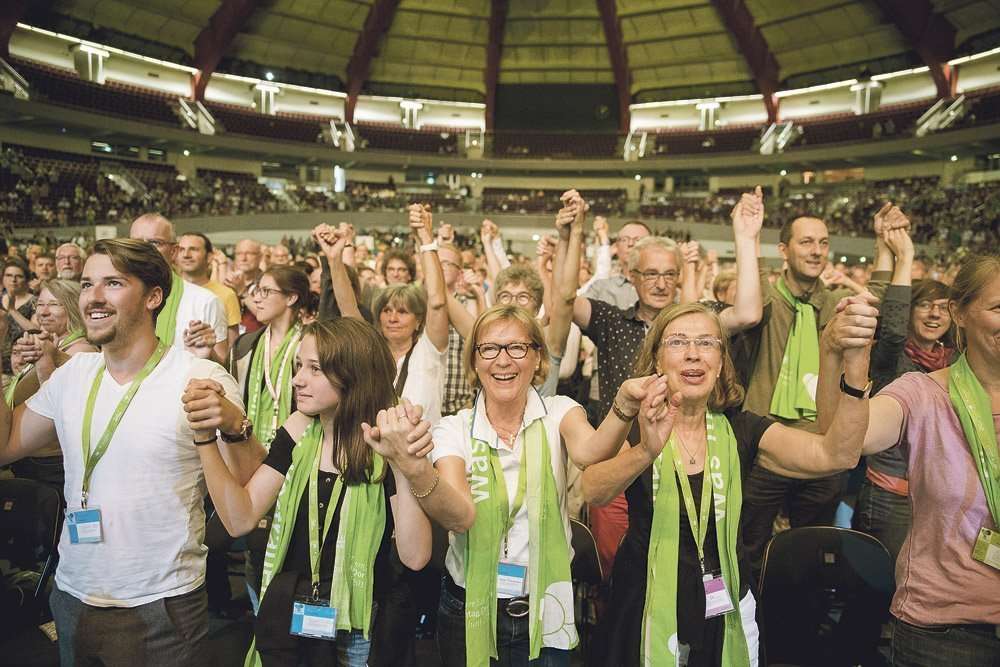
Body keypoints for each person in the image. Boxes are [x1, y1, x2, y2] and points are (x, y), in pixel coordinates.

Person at [0, 238, 261, 666]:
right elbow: (5, 446)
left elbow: (249, 484)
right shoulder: (73, 376)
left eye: (113, 283)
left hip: (163, 603)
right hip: (73, 594)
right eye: (86, 284)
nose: (93, 298)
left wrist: (235, 426)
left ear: (153, 297)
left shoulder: (199, 376)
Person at [582, 299, 878, 666]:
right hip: (643, 606)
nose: (693, 354)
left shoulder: (744, 428)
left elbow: (838, 455)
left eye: (706, 343)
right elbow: (591, 489)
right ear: (657, 359)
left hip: (725, 605)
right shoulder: (637, 422)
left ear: (720, 362)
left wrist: (854, 368)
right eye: (677, 343)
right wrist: (645, 451)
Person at [413, 304, 654, 666]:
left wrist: (622, 406)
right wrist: (413, 467)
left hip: (548, 601)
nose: (503, 360)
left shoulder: (559, 411)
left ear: (537, 357)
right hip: (469, 604)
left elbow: (591, 451)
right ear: (475, 362)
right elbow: (458, 516)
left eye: (517, 347)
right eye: (489, 348)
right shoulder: (454, 428)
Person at [184, 318, 433, 666]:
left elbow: (416, 555)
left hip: (363, 622)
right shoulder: (299, 429)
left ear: (352, 374)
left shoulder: (384, 442)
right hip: (295, 612)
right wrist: (205, 438)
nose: (298, 379)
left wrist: (404, 463)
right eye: (300, 365)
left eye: (315, 369)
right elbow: (240, 517)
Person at [569, 189, 765, 576]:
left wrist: (745, 238)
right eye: (650, 274)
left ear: (680, 277)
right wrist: (573, 236)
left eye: (669, 274)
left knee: (683, 564)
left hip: (688, 458)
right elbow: (561, 302)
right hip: (625, 458)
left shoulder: (700, 320)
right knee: (619, 567)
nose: (660, 284)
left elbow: (747, 312)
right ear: (632, 275)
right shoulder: (611, 319)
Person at [818, 253, 1000, 665]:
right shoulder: (922, 394)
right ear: (960, 314)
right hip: (948, 633)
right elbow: (844, 442)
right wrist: (835, 355)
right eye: (998, 308)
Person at [736, 204, 904, 582]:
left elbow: (876, 294)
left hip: (823, 446)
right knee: (747, 545)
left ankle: (799, 625)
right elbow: (744, 301)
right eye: (806, 242)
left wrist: (882, 243)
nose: (816, 250)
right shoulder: (765, 299)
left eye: (823, 243)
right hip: (767, 447)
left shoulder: (834, 302)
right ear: (784, 250)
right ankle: (745, 624)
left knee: (810, 550)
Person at [854, 228, 954, 564]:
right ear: (910, 311)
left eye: (943, 308)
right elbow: (893, 329)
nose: (934, 314)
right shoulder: (894, 358)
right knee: (876, 590)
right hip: (888, 494)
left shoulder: (953, 362)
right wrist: (903, 255)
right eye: (925, 305)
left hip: (933, 496)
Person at [5, 279, 97, 491]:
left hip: (50, 467)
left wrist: (45, 360)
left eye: (54, 304)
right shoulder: (54, 343)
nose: (43, 312)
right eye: (40, 305)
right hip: (30, 460)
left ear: (74, 306)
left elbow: (58, 406)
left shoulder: (82, 352)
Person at [372, 204, 449, 424]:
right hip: (376, 452)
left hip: (423, 452)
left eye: (403, 312)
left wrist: (426, 239)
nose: (392, 318)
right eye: (386, 311)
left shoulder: (429, 350)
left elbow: (437, 302)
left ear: (418, 321)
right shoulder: (373, 354)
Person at [129, 213, 229, 363]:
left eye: (154, 242)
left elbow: (223, 367)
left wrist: (207, 353)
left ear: (173, 251)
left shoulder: (205, 301)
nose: (143, 249)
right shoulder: (114, 297)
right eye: (135, 242)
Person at [177, 232, 242, 349]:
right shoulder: (167, 291)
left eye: (194, 249)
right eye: (181, 249)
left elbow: (233, 349)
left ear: (209, 257)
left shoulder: (226, 295)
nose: (186, 255)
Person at [2, 257, 37, 374]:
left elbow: (36, 330)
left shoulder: (35, 301)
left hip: (23, 365)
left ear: (26, 280)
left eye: (19, 276)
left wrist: (12, 311)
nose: (13, 280)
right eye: (8, 275)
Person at [226, 238, 265, 333]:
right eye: (239, 254)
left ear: (260, 257)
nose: (243, 258)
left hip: (258, 341)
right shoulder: (227, 283)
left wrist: (243, 292)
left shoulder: (268, 282)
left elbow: (266, 315)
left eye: (249, 253)